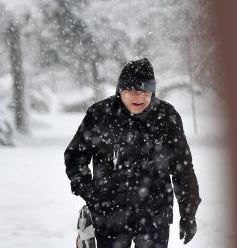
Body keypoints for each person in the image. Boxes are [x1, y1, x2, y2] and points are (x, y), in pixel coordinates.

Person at [65, 58, 201, 247]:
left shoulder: (167, 118)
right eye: (131, 90)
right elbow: (74, 157)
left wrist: (188, 214)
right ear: (120, 90)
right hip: (109, 216)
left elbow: (183, 170)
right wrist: (91, 193)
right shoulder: (100, 115)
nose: (139, 97)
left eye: (145, 90)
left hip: (155, 217)